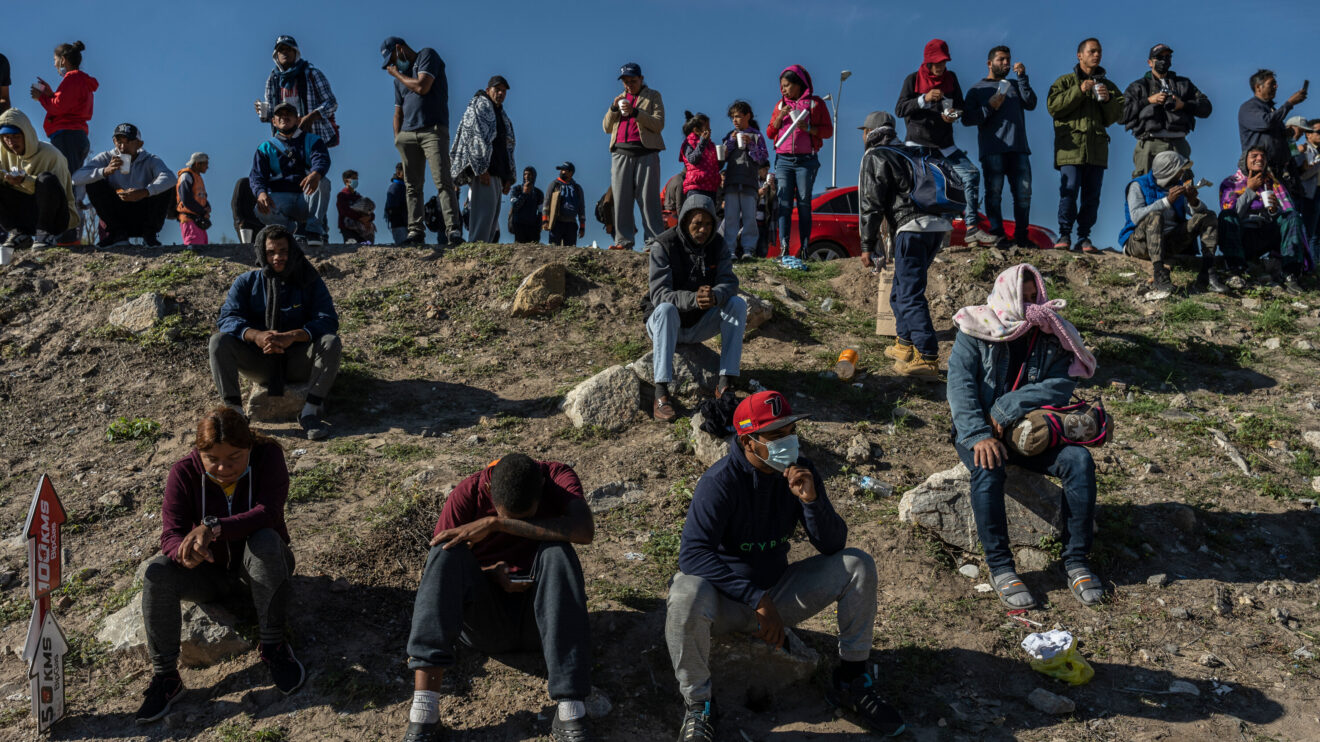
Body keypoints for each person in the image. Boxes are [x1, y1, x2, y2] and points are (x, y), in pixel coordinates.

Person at [664, 389, 904, 741]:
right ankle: (699, 704)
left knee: (858, 565)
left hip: (779, 593)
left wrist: (812, 502)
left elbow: (833, 544)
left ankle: (852, 681)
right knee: (685, 590)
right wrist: (756, 599)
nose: (788, 441)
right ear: (748, 441)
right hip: (726, 601)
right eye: (775, 435)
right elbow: (693, 554)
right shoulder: (720, 482)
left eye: (790, 431)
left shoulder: (800, 471)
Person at [401, 454, 595, 742]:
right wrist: (491, 574)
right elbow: (440, 575)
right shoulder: (467, 493)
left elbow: (584, 531)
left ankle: (571, 711)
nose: (512, 523)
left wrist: (498, 524)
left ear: (541, 487)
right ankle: (423, 714)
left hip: (543, 624)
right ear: (491, 490)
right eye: (506, 516)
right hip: (485, 625)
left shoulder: (557, 479)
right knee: (445, 554)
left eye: (524, 518)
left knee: (558, 553)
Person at [948, 264, 1103, 610]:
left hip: (1030, 432)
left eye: (1036, 296)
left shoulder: (1052, 332)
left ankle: (1076, 560)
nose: (1032, 305)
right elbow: (960, 387)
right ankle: (1001, 567)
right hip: (979, 430)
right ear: (1007, 295)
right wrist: (978, 435)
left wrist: (1006, 408)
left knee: (1078, 461)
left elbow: (1061, 385)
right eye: (1024, 297)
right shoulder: (975, 327)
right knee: (987, 467)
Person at [134, 407, 304, 724]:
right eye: (212, 459)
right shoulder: (183, 473)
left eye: (234, 458)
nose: (223, 467)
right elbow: (170, 533)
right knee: (157, 573)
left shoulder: (268, 456)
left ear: (249, 447)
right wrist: (183, 552)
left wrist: (213, 528)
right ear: (200, 453)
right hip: (210, 577)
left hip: (262, 567)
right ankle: (166, 678)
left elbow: (268, 512)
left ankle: (273, 646)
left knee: (265, 539)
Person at [210, 225, 341, 440]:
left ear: (292, 251)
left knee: (330, 341)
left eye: (283, 251)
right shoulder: (246, 282)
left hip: (299, 361)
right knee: (218, 342)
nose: (278, 257)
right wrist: (257, 336)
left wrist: (293, 336)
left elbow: (327, 320)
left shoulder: (309, 281)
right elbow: (227, 319)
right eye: (271, 252)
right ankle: (236, 415)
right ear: (262, 253)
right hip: (259, 361)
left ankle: (310, 412)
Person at [858, 110, 950, 379]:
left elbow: (870, 204)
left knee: (909, 293)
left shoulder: (876, 155)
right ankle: (904, 343)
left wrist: (867, 244)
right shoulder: (911, 152)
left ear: (869, 133)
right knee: (901, 288)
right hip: (935, 228)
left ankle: (927, 356)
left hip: (912, 229)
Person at [644, 195, 745, 422]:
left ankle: (725, 384)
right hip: (667, 324)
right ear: (684, 222)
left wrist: (717, 295)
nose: (703, 230)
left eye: (708, 224)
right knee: (666, 310)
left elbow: (729, 282)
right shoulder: (664, 245)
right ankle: (661, 394)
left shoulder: (718, 245)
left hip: (699, 323)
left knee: (737, 304)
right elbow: (659, 294)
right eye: (697, 224)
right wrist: (693, 299)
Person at [896, 39, 989, 246]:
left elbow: (961, 108)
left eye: (944, 62)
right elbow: (900, 109)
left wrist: (953, 115)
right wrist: (924, 98)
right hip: (918, 146)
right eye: (937, 63)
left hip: (945, 145)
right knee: (925, 192)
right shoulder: (913, 80)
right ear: (928, 62)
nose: (941, 67)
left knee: (971, 175)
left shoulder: (951, 79)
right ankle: (918, 238)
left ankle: (972, 227)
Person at [257, 35, 339, 239]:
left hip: (311, 137)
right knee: (291, 184)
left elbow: (331, 102)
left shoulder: (312, 73)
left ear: (296, 52)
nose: (284, 53)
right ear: (276, 55)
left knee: (316, 180)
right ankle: (295, 230)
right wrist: (262, 112)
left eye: (288, 49)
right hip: (283, 143)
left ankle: (317, 230)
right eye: (281, 50)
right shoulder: (273, 78)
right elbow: (271, 114)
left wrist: (311, 117)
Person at [383, 36, 462, 247]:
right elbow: (397, 110)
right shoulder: (397, 82)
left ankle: (453, 230)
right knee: (412, 186)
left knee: (443, 181)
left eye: (392, 59)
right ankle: (415, 232)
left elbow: (422, 87)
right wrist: (397, 137)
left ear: (399, 49)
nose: (391, 65)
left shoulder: (427, 55)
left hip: (432, 129)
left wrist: (397, 74)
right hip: (408, 134)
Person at [1046, 38, 1124, 253]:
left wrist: (1108, 101)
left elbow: (1118, 115)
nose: (1096, 55)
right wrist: (1079, 90)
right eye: (1092, 51)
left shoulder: (1107, 86)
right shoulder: (1064, 82)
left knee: (1092, 197)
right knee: (1068, 192)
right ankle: (1064, 234)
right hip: (1070, 150)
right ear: (1080, 55)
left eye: (1099, 51)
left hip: (1096, 150)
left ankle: (1084, 237)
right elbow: (1054, 107)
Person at [1119, 151, 1223, 298]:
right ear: (1169, 171)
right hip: (1140, 244)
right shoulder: (1138, 185)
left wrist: (1193, 201)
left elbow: (1197, 213)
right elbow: (1136, 217)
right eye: (1180, 170)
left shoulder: (1177, 185)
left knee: (1208, 215)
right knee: (1155, 216)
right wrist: (1166, 201)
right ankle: (1159, 273)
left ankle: (1208, 272)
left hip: (1168, 242)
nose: (1182, 174)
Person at [962, 46, 1036, 248]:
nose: (1006, 63)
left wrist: (1022, 78)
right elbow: (966, 119)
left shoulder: (1014, 84)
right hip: (993, 149)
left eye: (1008, 60)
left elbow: (1031, 103)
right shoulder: (977, 90)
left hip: (1019, 148)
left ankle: (1022, 237)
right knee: (994, 193)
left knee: (1023, 193)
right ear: (989, 63)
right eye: (1001, 59)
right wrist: (989, 107)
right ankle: (998, 235)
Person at [1218, 146, 1309, 293]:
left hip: (1265, 233)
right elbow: (1232, 214)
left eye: (1263, 157)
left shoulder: (1273, 184)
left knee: (1292, 216)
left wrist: (1274, 211)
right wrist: (1250, 190)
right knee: (1226, 216)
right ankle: (1235, 271)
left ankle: (1291, 274)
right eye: (1254, 156)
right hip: (1242, 236)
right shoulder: (1230, 183)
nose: (1259, 159)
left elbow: (1286, 212)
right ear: (1244, 161)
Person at [766, 65, 833, 257]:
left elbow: (828, 131)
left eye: (787, 86)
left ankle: (804, 248)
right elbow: (771, 132)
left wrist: (810, 129)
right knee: (784, 203)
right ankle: (785, 248)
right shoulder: (780, 105)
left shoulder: (815, 104)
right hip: (783, 160)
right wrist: (780, 116)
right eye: (782, 86)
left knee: (804, 203)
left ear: (799, 84)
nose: (783, 90)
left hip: (806, 160)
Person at [72, 123, 174, 247]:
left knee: (166, 185)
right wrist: (104, 171)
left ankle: (149, 235)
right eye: (119, 141)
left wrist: (145, 192)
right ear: (114, 141)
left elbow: (170, 177)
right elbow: (75, 178)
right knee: (93, 181)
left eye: (129, 141)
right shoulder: (106, 157)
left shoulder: (150, 160)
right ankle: (118, 236)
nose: (122, 146)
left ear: (139, 144)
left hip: (143, 215)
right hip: (118, 216)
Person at [1121, 44, 1212, 178]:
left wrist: (1183, 105)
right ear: (1150, 62)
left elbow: (1206, 108)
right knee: (1146, 189)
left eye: (1167, 57)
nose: (1164, 60)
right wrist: (1148, 101)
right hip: (1149, 144)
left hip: (1178, 144)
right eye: (1159, 57)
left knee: (1182, 190)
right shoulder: (1138, 87)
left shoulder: (1184, 84)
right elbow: (1121, 115)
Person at [603, 62, 665, 251]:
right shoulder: (619, 99)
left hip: (646, 152)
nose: (629, 84)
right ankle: (623, 241)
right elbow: (606, 127)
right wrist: (614, 109)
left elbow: (658, 124)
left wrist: (636, 112)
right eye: (625, 81)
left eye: (633, 80)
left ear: (641, 79)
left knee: (649, 199)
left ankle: (654, 242)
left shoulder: (653, 96)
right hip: (620, 152)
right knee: (621, 199)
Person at [249, 101, 331, 243]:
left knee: (323, 182)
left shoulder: (313, 140)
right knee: (260, 208)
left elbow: (322, 159)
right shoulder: (265, 147)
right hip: (281, 198)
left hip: (306, 197)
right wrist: (261, 193)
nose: (284, 117)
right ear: (273, 121)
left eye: (289, 115)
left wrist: (316, 173)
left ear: (298, 120)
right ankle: (288, 232)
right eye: (279, 115)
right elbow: (257, 175)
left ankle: (313, 232)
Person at [0, 108, 79, 251]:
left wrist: (25, 181)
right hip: (26, 214)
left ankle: (45, 235)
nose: (11, 142)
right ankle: (18, 233)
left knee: (46, 179)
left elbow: (57, 194)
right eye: (6, 137)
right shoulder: (2, 152)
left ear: (26, 134)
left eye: (16, 136)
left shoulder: (51, 155)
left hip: (56, 217)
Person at [452, 76, 515, 244]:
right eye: (497, 89)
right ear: (488, 90)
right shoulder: (480, 105)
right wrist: (481, 169)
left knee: (491, 218)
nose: (501, 93)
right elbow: (473, 136)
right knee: (482, 217)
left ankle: (481, 252)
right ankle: (475, 253)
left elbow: (506, 145)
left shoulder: (500, 113)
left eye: (504, 90)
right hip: (485, 171)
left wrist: (508, 177)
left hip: (497, 173)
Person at [30, 40, 97, 180]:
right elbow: (68, 105)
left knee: (65, 179)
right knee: (70, 177)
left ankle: (69, 202)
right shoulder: (80, 80)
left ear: (63, 60)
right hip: (76, 135)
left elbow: (58, 106)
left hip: (67, 135)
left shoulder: (72, 79)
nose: (54, 64)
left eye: (55, 60)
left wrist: (42, 97)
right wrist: (50, 94)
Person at [1239, 70, 1308, 193]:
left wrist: (1287, 132)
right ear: (1258, 87)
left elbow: (1272, 129)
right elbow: (1266, 122)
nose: (1276, 87)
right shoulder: (1249, 108)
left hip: (1280, 173)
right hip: (1261, 172)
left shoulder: (1271, 109)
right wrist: (1289, 103)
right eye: (1272, 83)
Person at [721, 101, 770, 258]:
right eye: (732, 117)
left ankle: (748, 249)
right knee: (730, 217)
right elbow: (722, 159)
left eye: (738, 116)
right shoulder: (730, 135)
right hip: (732, 181)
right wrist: (730, 143)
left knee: (750, 217)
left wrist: (751, 146)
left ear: (747, 116)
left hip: (749, 182)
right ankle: (729, 249)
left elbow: (762, 159)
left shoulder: (756, 136)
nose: (735, 120)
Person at [679, 111, 720, 202]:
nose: (710, 131)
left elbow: (715, 166)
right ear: (696, 130)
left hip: (711, 187)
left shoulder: (710, 145)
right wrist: (702, 142)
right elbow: (692, 159)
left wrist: (723, 158)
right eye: (707, 128)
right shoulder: (690, 143)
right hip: (696, 187)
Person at [543, 162, 585, 247]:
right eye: (561, 170)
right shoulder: (554, 185)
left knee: (570, 251)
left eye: (564, 170)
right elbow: (546, 203)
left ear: (571, 173)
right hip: (556, 223)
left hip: (571, 225)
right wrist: (545, 221)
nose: (561, 172)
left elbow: (581, 208)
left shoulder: (577, 188)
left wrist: (582, 227)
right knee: (553, 249)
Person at [176, 152, 211, 247]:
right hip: (190, 219)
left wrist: (207, 206)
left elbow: (200, 196)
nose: (207, 167)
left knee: (202, 247)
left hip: (197, 218)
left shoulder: (197, 177)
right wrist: (203, 211)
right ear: (197, 164)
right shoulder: (186, 176)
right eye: (205, 164)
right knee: (195, 248)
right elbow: (186, 199)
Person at [336, 170, 376, 244]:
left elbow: (370, 211)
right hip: (348, 229)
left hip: (362, 229)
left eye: (356, 179)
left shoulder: (358, 197)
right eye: (354, 178)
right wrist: (360, 218)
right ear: (346, 180)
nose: (356, 181)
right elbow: (344, 211)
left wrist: (369, 218)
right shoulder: (342, 195)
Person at [507, 167, 543, 244]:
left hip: (532, 227)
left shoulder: (538, 193)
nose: (526, 176)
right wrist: (524, 193)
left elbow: (540, 212)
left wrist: (538, 228)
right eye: (525, 174)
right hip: (518, 225)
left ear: (534, 176)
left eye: (529, 174)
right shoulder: (516, 189)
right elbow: (515, 206)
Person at [231, 177, 263, 245]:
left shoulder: (262, 188)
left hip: (259, 225)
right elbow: (235, 202)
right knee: (246, 248)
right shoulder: (244, 182)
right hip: (245, 224)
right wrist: (239, 220)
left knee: (259, 249)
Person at [754, 166, 776, 258]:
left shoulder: (768, 184)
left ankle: (760, 261)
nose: (767, 172)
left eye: (768, 169)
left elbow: (772, 201)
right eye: (765, 169)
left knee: (762, 247)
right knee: (750, 243)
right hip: (752, 220)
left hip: (763, 222)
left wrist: (772, 188)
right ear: (759, 169)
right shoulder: (753, 181)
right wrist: (758, 193)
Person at [385, 163, 409, 245]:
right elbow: (392, 209)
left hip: (406, 224)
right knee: (404, 247)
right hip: (400, 225)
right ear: (399, 173)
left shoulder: (404, 187)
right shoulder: (395, 187)